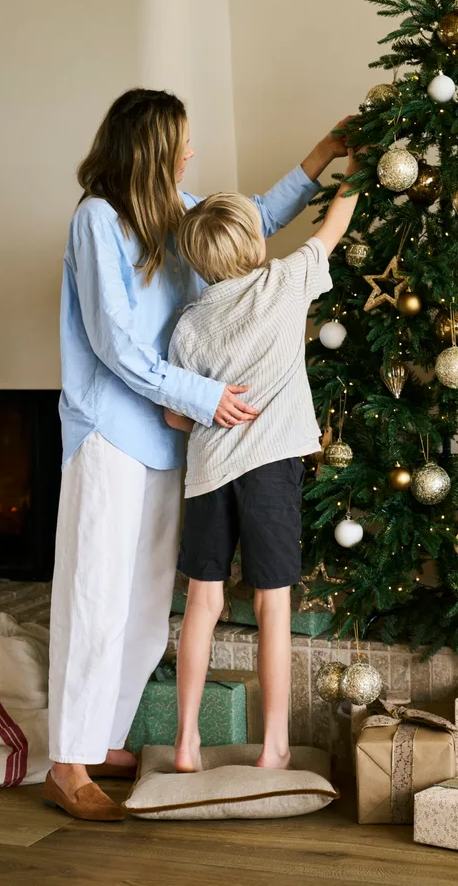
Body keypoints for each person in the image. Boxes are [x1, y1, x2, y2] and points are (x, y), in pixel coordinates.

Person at [44, 88, 351, 821]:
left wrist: (320, 157)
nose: (190, 152)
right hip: (111, 432)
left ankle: (101, 736)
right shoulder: (97, 221)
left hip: (174, 438)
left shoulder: (174, 209)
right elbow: (114, 342)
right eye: (181, 142)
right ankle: (65, 760)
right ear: (148, 148)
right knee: (96, 596)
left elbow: (247, 221)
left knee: (151, 604)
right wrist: (207, 398)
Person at [165, 151, 360, 774]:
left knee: (204, 601)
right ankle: (273, 745)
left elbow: (175, 415)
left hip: (207, 475)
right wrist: (357, 163)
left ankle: (187, 742)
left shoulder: (189, 322)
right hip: (271, 468)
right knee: (273, 603)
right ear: (255, 245)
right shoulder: (283, 284)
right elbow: (334, 223)